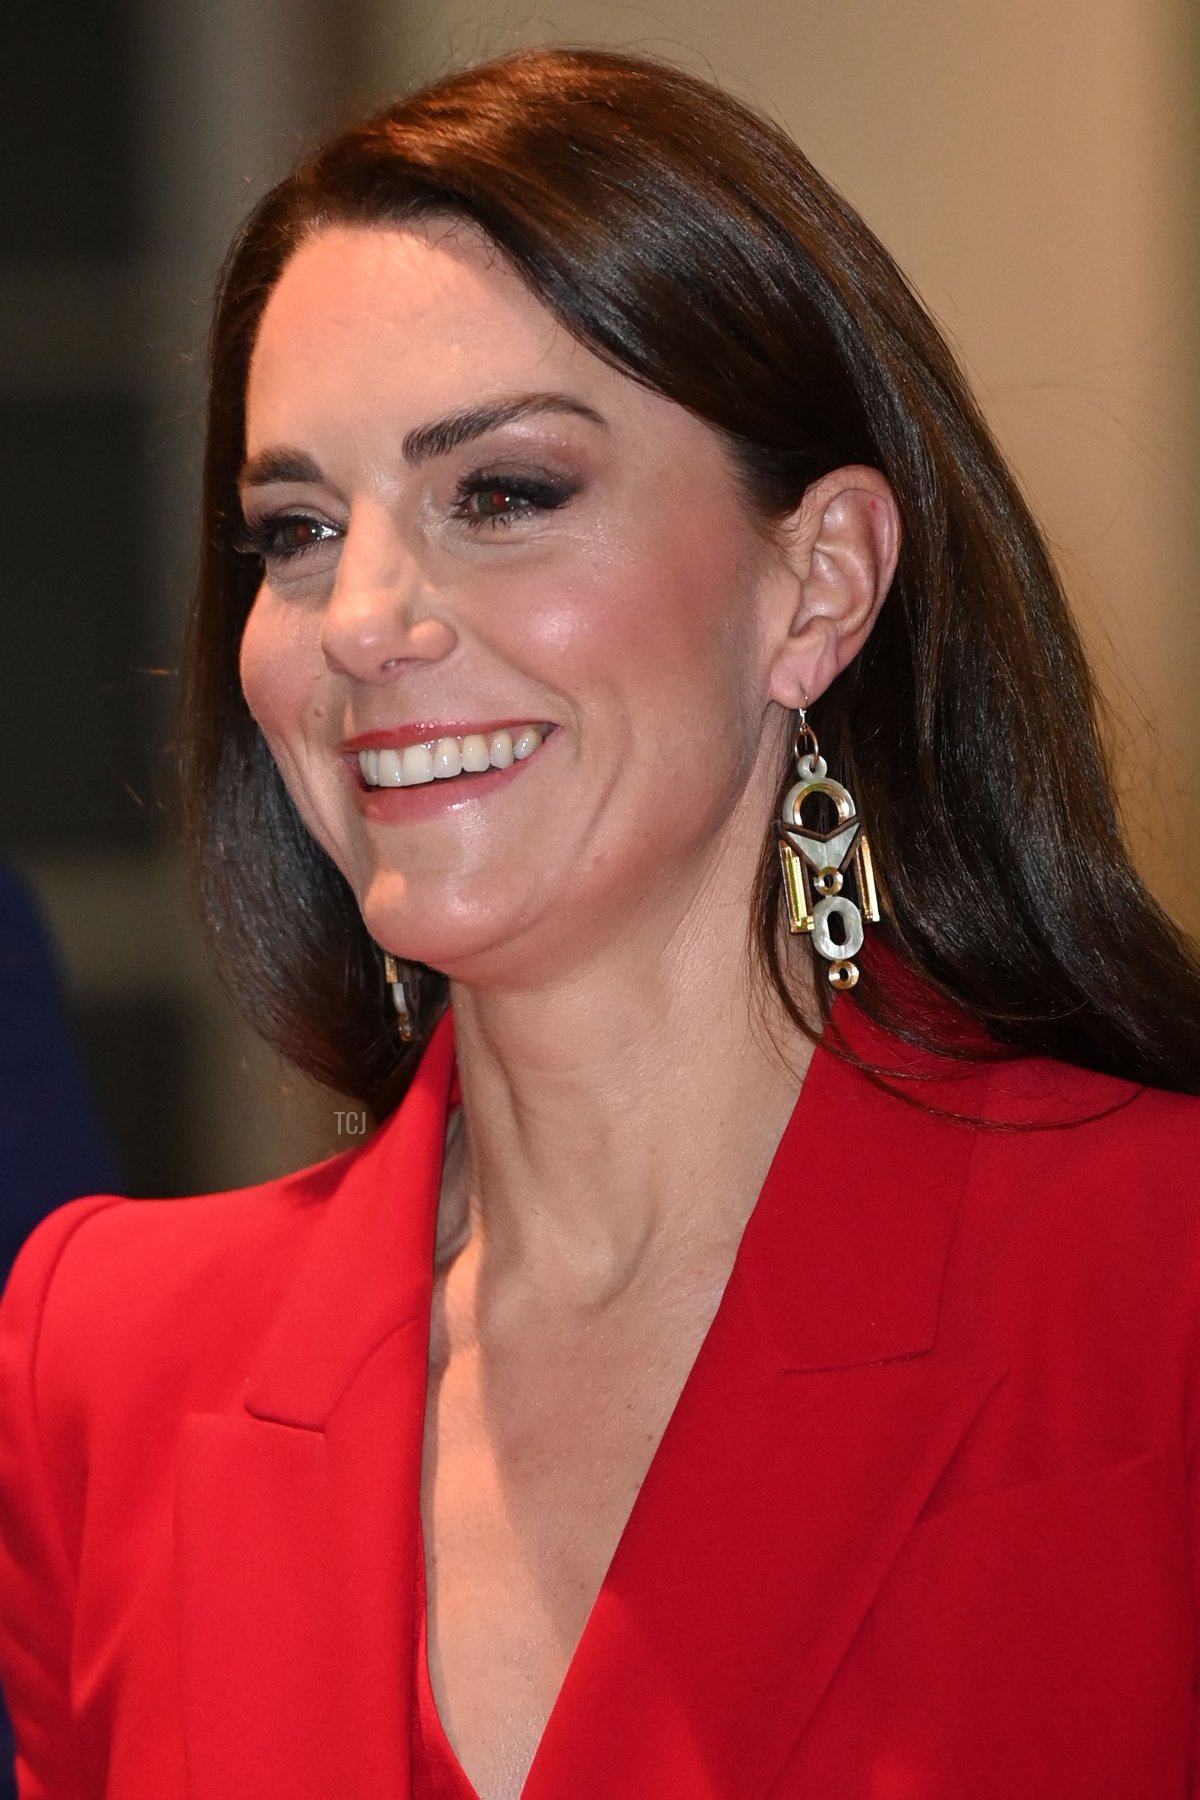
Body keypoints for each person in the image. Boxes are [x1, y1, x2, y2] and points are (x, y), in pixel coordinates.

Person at [2, 44, 1200, 1800]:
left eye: (502, 494)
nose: (361, 618)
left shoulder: (1154, 1277)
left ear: (820, 582)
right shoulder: (106, 1358)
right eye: (296, 528)